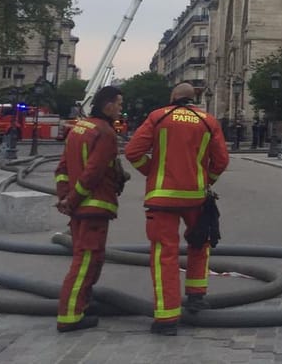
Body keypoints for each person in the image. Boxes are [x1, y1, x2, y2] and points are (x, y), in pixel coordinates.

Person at [124, 83, 229, 336]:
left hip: (162, 198)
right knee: (199, 245)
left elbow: (133, 152)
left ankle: (166, 318)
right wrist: (206, 181)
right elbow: (221, 161)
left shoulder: (158, 116)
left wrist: (152, 172)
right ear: (194, 98)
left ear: (173, 96)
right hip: (196, 197)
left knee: (165, 255)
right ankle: (196, 297)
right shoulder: (208, 121)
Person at [54, 85, 128, 333]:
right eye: (119, 103)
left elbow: (62, 168)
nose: (120, 109)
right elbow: (93, 172)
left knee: (89, 260)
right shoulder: (105, 133)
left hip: (78, 209)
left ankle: (82, 305)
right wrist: (73, 200)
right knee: (85, 262)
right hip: (94, 207)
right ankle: (70, 316)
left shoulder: (79, 128)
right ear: (108, 105)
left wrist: (65, 197)